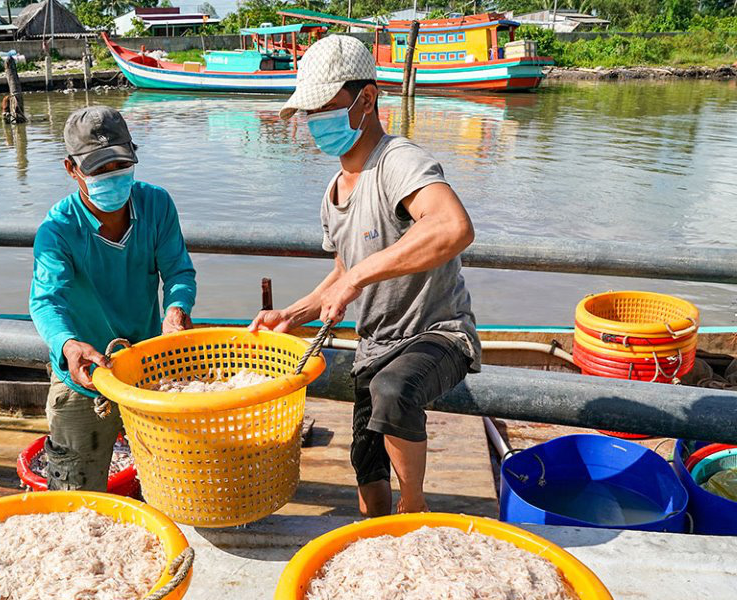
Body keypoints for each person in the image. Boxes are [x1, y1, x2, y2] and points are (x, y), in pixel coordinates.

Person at [249, 36, 481, 518]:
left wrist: (357, 280)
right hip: (374, 345)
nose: (315, 124)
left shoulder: (399, 162)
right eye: (309, 113)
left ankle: (414, 510)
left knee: (393, 393)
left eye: (325, 108)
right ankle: (376, 529)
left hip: (437, 335)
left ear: (368, 99)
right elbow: (341, 271)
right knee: (364, 461)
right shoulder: (333, 191)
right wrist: (293, 314)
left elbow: (452, 227)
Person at [30, 106, 197, 491]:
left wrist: (176, 310)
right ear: (72, 170)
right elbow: (46, 301)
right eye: (98, 169)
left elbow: (178, 271)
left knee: (171, 481)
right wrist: (68, 345)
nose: (112, 177)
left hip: (148, 367)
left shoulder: (156, 205)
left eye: (120, 164)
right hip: (85, 375)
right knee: (76, 493)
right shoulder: (57, 231)